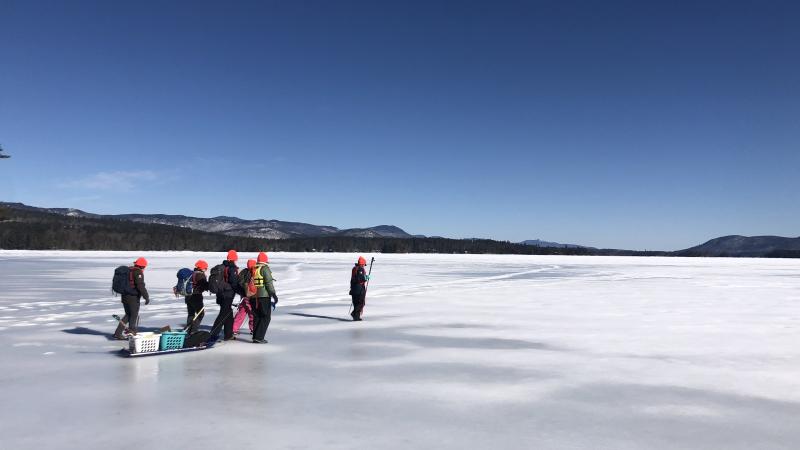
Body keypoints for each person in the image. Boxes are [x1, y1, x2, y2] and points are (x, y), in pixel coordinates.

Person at [113, 257, 150, 338]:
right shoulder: (138, 272)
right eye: (144, 267)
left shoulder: (130, 269)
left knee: (128, 314)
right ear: (142, 266)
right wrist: (146, 297)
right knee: (134, 315)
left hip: (124, 296)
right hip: (132, 297)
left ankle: (118, 333)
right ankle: (132, 333)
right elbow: (140, 286)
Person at [212, 250, 243, 341]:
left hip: (220, 294)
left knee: (228, 314)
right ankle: (213, 335)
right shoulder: (232, 268)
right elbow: (233, 283)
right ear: (235, 258)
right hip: (227, 295)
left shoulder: (222, 266)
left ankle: (228, 334)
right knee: (223, 315)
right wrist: (242, 292)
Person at [252, 252, 278, 344]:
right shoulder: (265, 268)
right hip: (264, 296)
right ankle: (259, 337)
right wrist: (274, 295)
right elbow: (268, 283)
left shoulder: (253, 268)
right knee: (266, 317)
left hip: (254, 296)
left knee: (257, 316)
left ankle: (255, 336)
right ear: (265, 260)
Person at [184, 260, 209, 333]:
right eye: (205, 268)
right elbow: (204, 285)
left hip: (188, 296)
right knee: (200, 314)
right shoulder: (200, 275)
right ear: (201, 267)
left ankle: (188, 331)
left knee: (191, 314)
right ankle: (193, 331)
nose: (206, 269)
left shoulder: (191, 273)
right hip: (196, 296)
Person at [233, 259, 257, 335]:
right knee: (252, 313)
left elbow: (238, 284)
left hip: (243, 296)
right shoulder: (253, 272)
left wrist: (242, 293)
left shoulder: (243, 272)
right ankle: (253, 329)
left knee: (241, 313)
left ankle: (234, 328)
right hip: (250, 296)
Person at [349, 256, 370, 321]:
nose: (364, 266)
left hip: (354, 288)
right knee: (361, 303)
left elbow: (355, 278)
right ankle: (355, 315)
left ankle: (356, 316)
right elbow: (359, 278)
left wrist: (365, 277)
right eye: (364, 264)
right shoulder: (360, 269)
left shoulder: (354, 268)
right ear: (362, 263)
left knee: (356, 303)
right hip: (359, 289)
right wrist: (365, 278)